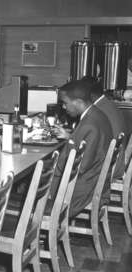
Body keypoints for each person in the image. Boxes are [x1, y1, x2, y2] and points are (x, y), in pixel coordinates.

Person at [52, 80, 113, 218]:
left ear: (78, 102)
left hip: (83, 186)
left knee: (38, 184)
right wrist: (71, 137)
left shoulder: (89, 124)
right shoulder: (97, 115)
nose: (63, 107)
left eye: (65, 103)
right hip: (94, 178)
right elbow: (88, 144)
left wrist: (53, 165)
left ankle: (43, 223)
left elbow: (81, 166)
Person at [81, 76, 127, 178]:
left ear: (89, 94)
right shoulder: (109, 104)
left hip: (107, 167)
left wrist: (71, 137)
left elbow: (90, 142)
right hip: (117, 162)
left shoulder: (98, 110)